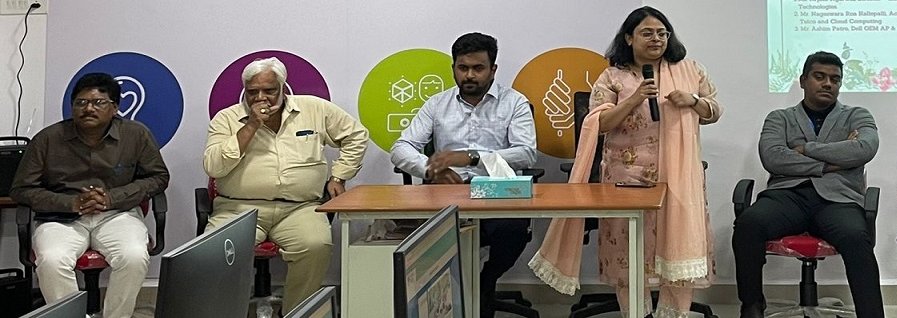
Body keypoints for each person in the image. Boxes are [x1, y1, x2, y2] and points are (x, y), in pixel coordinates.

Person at [530, 6, 722, 318]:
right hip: (627, 180)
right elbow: (600, 124)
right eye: (647, 33)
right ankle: (635, 313)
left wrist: (694, 101)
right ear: (629, 38)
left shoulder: (691, 70)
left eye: (662, 33)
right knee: (628, 252)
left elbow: (713, 112)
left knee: (678, 249)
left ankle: (674, 314)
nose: (656, 39)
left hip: (679, 180)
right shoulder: (613, 77)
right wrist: (634, 99)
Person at [203, 56, 369, 314]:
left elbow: (356, 135)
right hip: (238, 208)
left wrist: (339, 176)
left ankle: (294, 312)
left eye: (269, 90)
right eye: (253, 92)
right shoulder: (226, 119)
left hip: (300, 207)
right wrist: (251, 125)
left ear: (283, 87)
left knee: (315, 245)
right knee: (215, 252)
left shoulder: (314, 109)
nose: (261, 98)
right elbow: (213, 167)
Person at [390, 32, 537, 318]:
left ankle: (486, 281)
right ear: (454, 68)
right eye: (463, 68)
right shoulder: (437, 104)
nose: (469, 75)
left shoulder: (514, 102)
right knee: (430, 236)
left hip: (497, 193)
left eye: (478, 68)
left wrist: (473, 157)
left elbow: (526, 153)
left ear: (493, 69)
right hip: (446, 192)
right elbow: (401, 147)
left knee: (513, 231)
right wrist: (430, 169)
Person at [732, 51, 884, 318]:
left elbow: (864, 149)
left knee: (856, 237)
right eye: (819, 77)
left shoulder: (857, 115)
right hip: (787, 196)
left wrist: (805, 149)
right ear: (803, 81)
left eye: (835, 79)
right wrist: (832, 162)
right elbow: (773, 158)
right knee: (748, 224)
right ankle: (752, 306)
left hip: (838, 199)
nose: (828, 84)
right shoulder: (779, 117)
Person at [10, 72, 169, 318]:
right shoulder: (48, 139)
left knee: (134, 256)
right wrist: (71, 203)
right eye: (81, 103)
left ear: (115, 107)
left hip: (117, 214)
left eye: (98, 102)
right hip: (61, 218)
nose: (88, 109)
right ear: (72, 107)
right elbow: (21, 189)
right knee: (52, 260)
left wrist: (112, 198)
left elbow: (158, 177)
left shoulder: (135, 135)